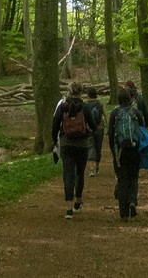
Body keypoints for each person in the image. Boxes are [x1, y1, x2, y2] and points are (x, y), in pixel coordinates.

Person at [51, 81, 97, 219]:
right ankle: (78, 201)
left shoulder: (63, 107)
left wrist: (55, 141)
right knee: (79, 174)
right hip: (82, 144)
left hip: (66, 144)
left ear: (69, 91)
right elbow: (93, 126)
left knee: (68, 174)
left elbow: (54, 126)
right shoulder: (85, 107)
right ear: (81, 92)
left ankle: (68, 208)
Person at [108, 87, 145, 222]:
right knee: (134, 177)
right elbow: (142, 130)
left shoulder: (114, 113)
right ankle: (132, 201)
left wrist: (113, 151)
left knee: (122, 178)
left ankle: (123, 212)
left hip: (120, 152)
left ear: (118, 99)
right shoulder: (135, 112)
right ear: (130, 99)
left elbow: (111, 135)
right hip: (135, 150)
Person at [84, 87, 105, 176]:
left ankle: (91, 169)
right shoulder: (101, 104)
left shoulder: (86, 105)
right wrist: (106, 125)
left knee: (90, 147)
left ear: (88, 95)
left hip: (89, 129)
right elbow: (105, 115)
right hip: (99, 128)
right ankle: (97, 167)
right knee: (98, 147)